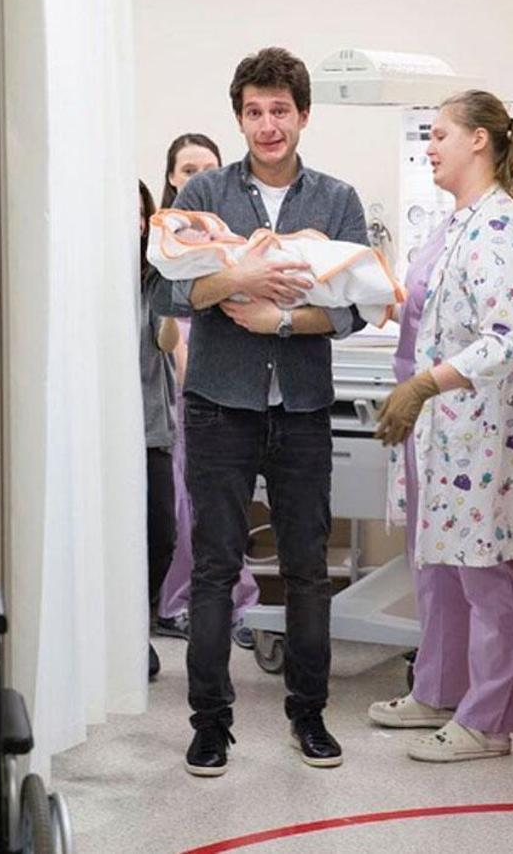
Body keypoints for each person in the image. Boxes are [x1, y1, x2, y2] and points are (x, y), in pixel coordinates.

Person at [148, 46, 369, 777]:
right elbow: (169, 294)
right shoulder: (203, 193)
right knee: (215, 570)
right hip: (219, 407)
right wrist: (237, 275)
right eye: (254, 112)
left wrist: (281, 321)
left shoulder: (337, 201)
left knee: (307, 571)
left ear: (303, 115)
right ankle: (210, 725)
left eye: (280, 110)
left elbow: (357, 309)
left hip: (302, 408)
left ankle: (309, 716)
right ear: (239, 119)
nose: (267, 124)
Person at [367, 90, 513, 763]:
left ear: (479, 140)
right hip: (437, 429)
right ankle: (439, 691)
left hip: (477, 430)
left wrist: (422, 384)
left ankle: (489, 721)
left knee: (487, 570)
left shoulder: (500, 226)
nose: (430, 147)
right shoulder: (456, 225)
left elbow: (504, 339)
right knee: (439, 563)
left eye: (440, 134)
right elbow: (438, 315)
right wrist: (375, 297)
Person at [154, 134, 261, 650]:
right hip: (182, 383)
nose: (199, 177)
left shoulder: (231, 233)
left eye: (209, 167)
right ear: (172, 178)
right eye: (188, 169)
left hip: (231, 375)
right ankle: (178, 604)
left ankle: (239, 603)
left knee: (226, 504)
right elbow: (166, 317)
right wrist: (185, 366)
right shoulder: (164, 240)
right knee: (186, 504)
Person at [138, 179, 180, 682]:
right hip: (100, 439)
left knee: (160, 535)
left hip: (149, 428)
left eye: (138, 212)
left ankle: (137, 622)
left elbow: (166, 342)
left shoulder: (154, 280)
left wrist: (170, 303)